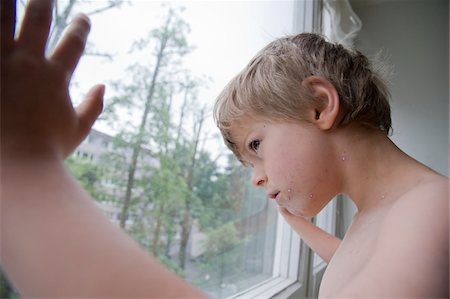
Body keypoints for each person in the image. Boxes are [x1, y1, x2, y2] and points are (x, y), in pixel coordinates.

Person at [1, 0, 448, 298]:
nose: (254, 176)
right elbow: (355, 262)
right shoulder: (392, 217)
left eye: (257, 145)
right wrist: (296, 223)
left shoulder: (435, 209)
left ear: (319, 105)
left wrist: (22, 165)